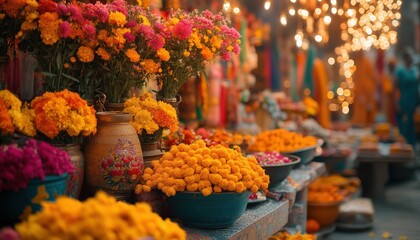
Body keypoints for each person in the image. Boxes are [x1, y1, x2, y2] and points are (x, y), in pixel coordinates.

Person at [394, 49, 419, 147]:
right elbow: (395, 87)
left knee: (413, 125)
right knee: (404, 125)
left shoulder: (414, 71)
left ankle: (411, 148)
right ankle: (403, 147)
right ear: (406, 58)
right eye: (410, 56)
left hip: (414, 102)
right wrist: (396, 102)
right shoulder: (400, 71)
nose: (412, 58)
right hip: (403, 102)